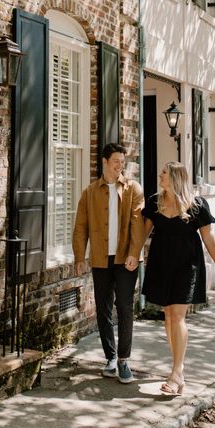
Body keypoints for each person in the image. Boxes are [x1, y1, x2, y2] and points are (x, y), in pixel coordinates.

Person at [142, 161, 215, 395]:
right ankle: (178, 368)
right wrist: (132, 254)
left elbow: (209, 239)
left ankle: (176, 373)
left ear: (176, 178)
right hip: (161, 264)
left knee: (178, 315)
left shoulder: (197, 205)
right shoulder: (154, 202)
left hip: (187, 266)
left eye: (164, 173)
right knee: (168, 316)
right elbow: (144, 232)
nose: (160, 175)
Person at [72, 143, 144, 384]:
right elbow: (80, 228)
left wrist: (135, 252)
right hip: (101, 259)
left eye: (122, 162)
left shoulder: (133, 189)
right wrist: (79, 257)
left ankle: (124, 359)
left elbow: (138, 224)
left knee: (124, 307)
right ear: (104, 162)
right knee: (103, 310)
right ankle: (110, 358)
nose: (120, 166)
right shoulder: (90, 193)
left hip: (126, 259)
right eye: (116, 161)